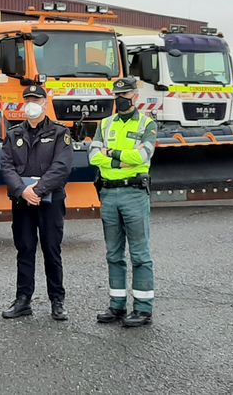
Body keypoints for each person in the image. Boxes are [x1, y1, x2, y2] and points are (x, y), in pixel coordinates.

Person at [0, 84, 73, 321]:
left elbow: (62, 167)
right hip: (23, 203)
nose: (32, 103)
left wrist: (38, 191)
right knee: (25, 249)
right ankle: (23, 300)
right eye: (28, 99)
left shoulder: (60, 133)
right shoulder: (13, 134)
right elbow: (7, 166)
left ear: (44, 102)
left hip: (50, 201)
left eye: (36, 99)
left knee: (52, 249)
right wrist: (22, 191)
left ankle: (57, 300)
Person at [89, 77, 157, 328]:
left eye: (126, 94)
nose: (121, 98)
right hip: (108, 194)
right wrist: (122, 160)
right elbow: (94, 156)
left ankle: (142, 309)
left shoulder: (147, 124)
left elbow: (142, 155)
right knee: (113, 254)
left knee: (140, 254)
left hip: (134, 194)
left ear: (135, 96)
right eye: (117, 94)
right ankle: (117, 306)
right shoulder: (105, 124)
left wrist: (112, 154)